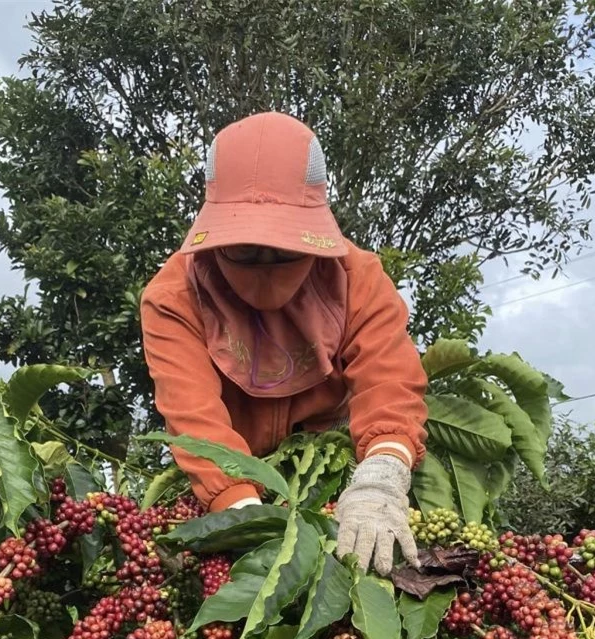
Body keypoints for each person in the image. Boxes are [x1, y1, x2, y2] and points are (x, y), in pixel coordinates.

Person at [140, 111, 428, 576]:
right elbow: (195, 420)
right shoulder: (174, 298)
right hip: (223, 482)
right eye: (247, 251)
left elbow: (389, 382)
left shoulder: (359, 279)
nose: (267, 266)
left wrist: (381, 474)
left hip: (334, 474)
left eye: (286, 252)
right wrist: (245, 517)